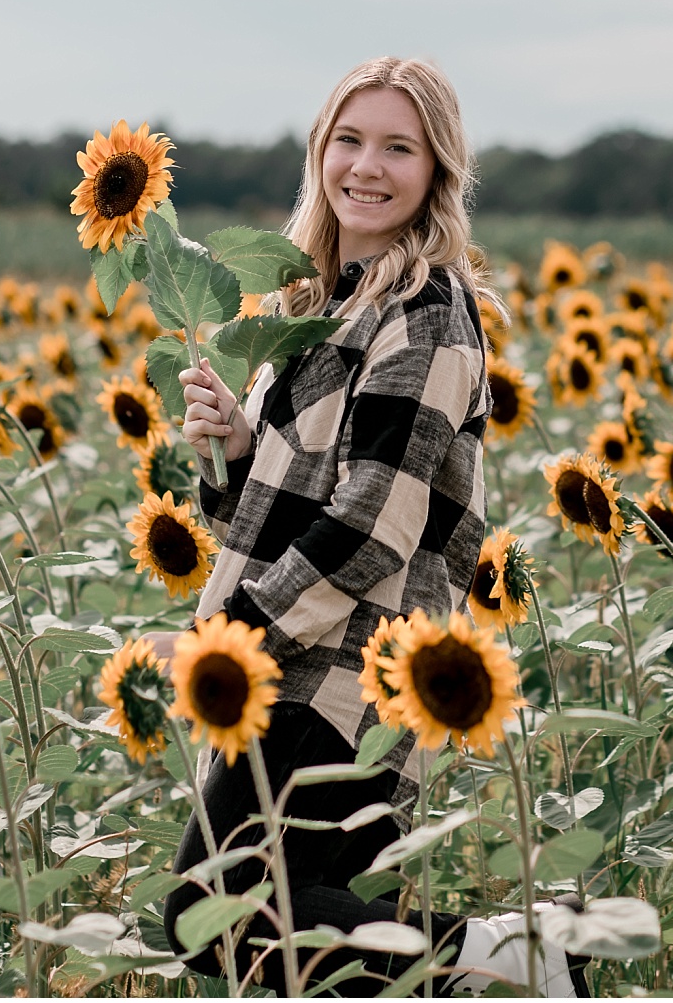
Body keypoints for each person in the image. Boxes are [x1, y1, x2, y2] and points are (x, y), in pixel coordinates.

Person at [155, 57, 584, 996]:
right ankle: (524, 962)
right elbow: (260, 517)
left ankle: (521, 957)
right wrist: (231, 445)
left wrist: (231, 640)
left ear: (438, 171)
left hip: (347, 675)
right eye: (350, 140)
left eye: (400, 147)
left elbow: (370, 528)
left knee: (213, 915)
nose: (368, 166)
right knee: (299, 926)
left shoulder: (427, 314)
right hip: (295, 657)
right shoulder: (320, 302)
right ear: (320, 153)